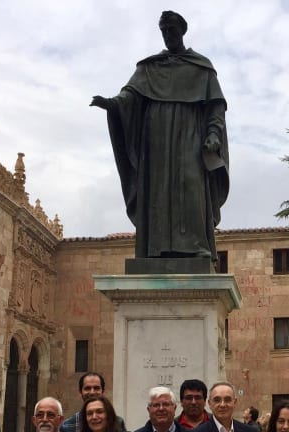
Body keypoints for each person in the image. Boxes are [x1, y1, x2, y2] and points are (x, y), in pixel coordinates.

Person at [91, 10, 228, 262]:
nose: (167, 36)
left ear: (182, 31)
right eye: (163, 31)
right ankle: (156, 248)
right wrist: (112, 104)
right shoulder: (150, 67)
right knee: (158, 190)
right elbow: (129, 95)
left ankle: (197, 245)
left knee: (190, 183)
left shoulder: (201, 67)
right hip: (157, 138)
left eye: (171, 31)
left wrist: (212, 133)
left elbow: (215, 107)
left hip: (189, 135)